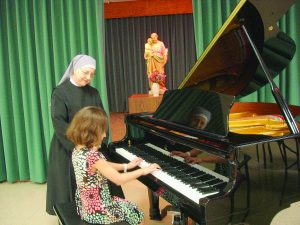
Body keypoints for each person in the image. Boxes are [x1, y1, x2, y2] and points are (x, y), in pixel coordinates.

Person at [46, 54, 123, 215]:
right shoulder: (60, 92)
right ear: (74, 69)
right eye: (85, 73)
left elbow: (102, 118)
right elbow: (58, 122)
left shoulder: (93, 92)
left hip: (93, 145)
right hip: (68, 146)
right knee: (70, 188)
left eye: (92, 75)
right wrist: (80, 148)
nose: (88, 77)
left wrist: (98, 144)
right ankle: (73, 216)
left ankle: (101, 213)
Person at [66, 106, 161, 224]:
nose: (105, 135)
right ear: (91, 132)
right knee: (136, 213)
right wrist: (144, 171)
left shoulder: (78, 150)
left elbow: (104, 165)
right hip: (99, 210)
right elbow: (118, 179)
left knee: (127, 205)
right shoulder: (93, 156)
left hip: (86, 205)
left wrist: (127, 166)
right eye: (102, 131)